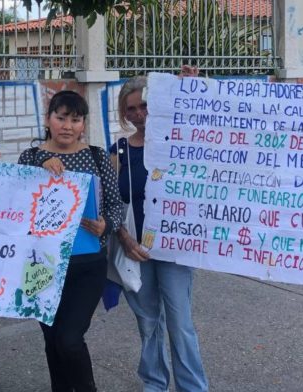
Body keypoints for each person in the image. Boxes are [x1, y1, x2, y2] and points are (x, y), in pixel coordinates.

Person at [108, 67, 209, 392]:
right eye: (131, 109)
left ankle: (192, 388)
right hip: (135, 249)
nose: (139, 114)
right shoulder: (119, 151)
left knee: (180, 325)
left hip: (174, 250)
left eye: (144, 106)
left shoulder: (179, 142)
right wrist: (123, 239)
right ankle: (154, 384)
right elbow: (111, 202)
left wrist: (191, 91)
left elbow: (211, 140)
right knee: (148, 323)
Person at [18, 90, 123, 392]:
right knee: (52, 341)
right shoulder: (31, 157)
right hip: (42, 264)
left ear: (83, 125)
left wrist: (106, 225)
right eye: (61, 117)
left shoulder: (96, 155)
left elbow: (115, 205)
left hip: (88, 263)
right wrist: (40, 166)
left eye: (75, 120)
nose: (67, 126)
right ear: (48, 120)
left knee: (69, 338)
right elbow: (17, 206)